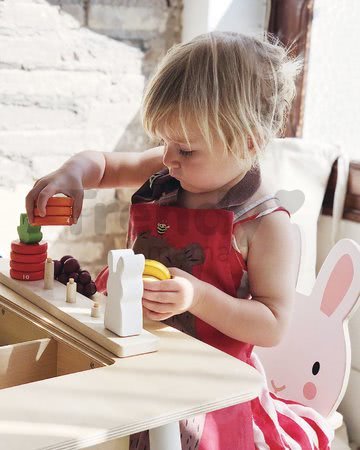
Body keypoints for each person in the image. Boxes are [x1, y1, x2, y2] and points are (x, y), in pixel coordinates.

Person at [26, 32, 334, 449]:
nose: (168, 157)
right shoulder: (169, 170)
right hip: (137, 357)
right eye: (164, 140)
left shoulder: (266, 225)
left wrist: (197, 296)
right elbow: (103, 165)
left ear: (248, 141)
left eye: (185, 149)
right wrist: (73, 173)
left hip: (205, 391)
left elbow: (273, 324)